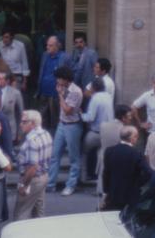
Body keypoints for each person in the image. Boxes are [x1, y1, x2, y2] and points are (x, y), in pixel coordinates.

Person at [46, 66, 84, 196]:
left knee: (74, 157)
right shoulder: (63, 88)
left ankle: (70, 185)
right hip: (62, 124)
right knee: (54, 155)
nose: (57, 81)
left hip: (72, 125)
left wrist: (60, 96)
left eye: (59, 78)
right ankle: (50, 183)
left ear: (65, 79)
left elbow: (68, 110)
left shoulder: (75, 91)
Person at [14, 110, 53, 221]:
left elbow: (32, 168)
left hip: (32, 180)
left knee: (21, 213)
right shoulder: (46, 134)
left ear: (33, 123)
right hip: (43, 176)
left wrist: (24, 185)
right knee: (39, 212)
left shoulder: (32, 140)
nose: (21, 124)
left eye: (24, 122)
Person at [102, 126, 151, 211]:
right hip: (130, 193)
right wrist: (138, 183)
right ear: (132, 138)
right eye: (136, 136)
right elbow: (148, 172)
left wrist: (106, 191)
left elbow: (106, 173)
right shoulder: (135, 153)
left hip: (113, 192)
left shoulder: (109, 150)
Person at [97, 105, 133, 200]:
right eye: (129, 116)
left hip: (103, 156)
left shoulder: (103, 125)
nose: (131, 118)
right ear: (123, 118)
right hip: (118, 159)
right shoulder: (126, 131)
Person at [82, 77, 114, 181]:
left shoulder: (95, 98)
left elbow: (90, 117)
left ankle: (90, 174)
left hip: (97, 131)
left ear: (94, 87)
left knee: (87, 149)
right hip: (109, 131)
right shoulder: (108, 96)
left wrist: (80, 115)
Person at [36, 36, 71, 130]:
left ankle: (55, 139)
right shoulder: (44, 55)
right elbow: (41, 71)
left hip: (56, 93)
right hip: (43, 91)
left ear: (57, 46)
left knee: (55, 118)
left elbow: (70, 74)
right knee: (42, 117)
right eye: (47, 45)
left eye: (50, 45)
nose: (47, 47)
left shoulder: (65, 57)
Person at [0, 71, 24, 143]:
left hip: (9, 128)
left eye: (0, 79)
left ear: (7, 81)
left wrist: (19, 133)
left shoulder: (15, 93)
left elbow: (20, 114)